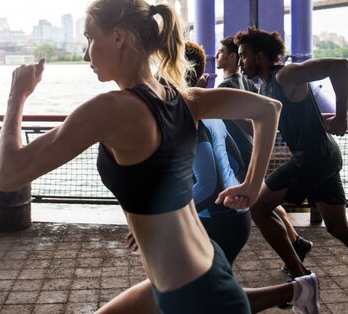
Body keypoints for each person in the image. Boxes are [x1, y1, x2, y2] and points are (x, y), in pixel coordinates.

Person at [0, 0, 312, 314]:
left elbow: (9, 175)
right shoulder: (183, 99)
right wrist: (250, 187)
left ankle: (300, 290)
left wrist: (16, 96)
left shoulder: (111, 110)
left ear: (118, 37)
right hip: (202, 267)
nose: (85, 54)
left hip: (191, 295)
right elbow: (268, 110)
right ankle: (300, 290)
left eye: (90, 38)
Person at [95, 40, 320, 314]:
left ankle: (299, 289)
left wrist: (160, 221)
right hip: (230, 217)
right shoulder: (207, 110)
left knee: (200, 297)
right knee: (203, 296)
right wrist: (243, 185)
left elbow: (208, 183)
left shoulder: (186, 117)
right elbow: (234, 156)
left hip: (219, 219)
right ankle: (299, 289)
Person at [235, 26, 348, 313]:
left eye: (243, 56)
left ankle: (300, 279)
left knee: (258, 208)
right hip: (322, 158)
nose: (241, 62)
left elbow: (339, 66)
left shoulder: (285, 74)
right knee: (338, 227)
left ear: (260, 55)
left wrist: (341, 117)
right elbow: (259, 128)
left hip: (313, 158)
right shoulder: (265, 86)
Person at [216, 36, 314, 275]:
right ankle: (297, 242)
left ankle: (297, 259)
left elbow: (248, 122)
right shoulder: (250, 84)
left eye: (221, 53)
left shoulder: (227, 87)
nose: (217, 56)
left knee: (256, 204)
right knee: (262, 199)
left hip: (238, 152)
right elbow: (257, 122)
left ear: (232, 57)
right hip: (252, 148)